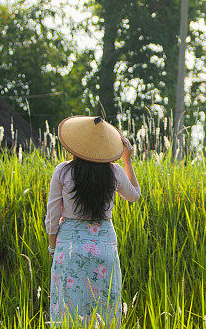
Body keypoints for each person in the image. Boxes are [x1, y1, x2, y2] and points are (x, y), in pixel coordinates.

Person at [45, 115, 141, 327]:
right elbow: (134, 195)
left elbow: (52, 216)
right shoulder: (114, 171)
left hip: (69, 248)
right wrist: (127, 159)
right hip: (104, 248)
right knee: (104, 309)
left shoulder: (62, 171)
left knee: (68, 310)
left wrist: (53, 249)